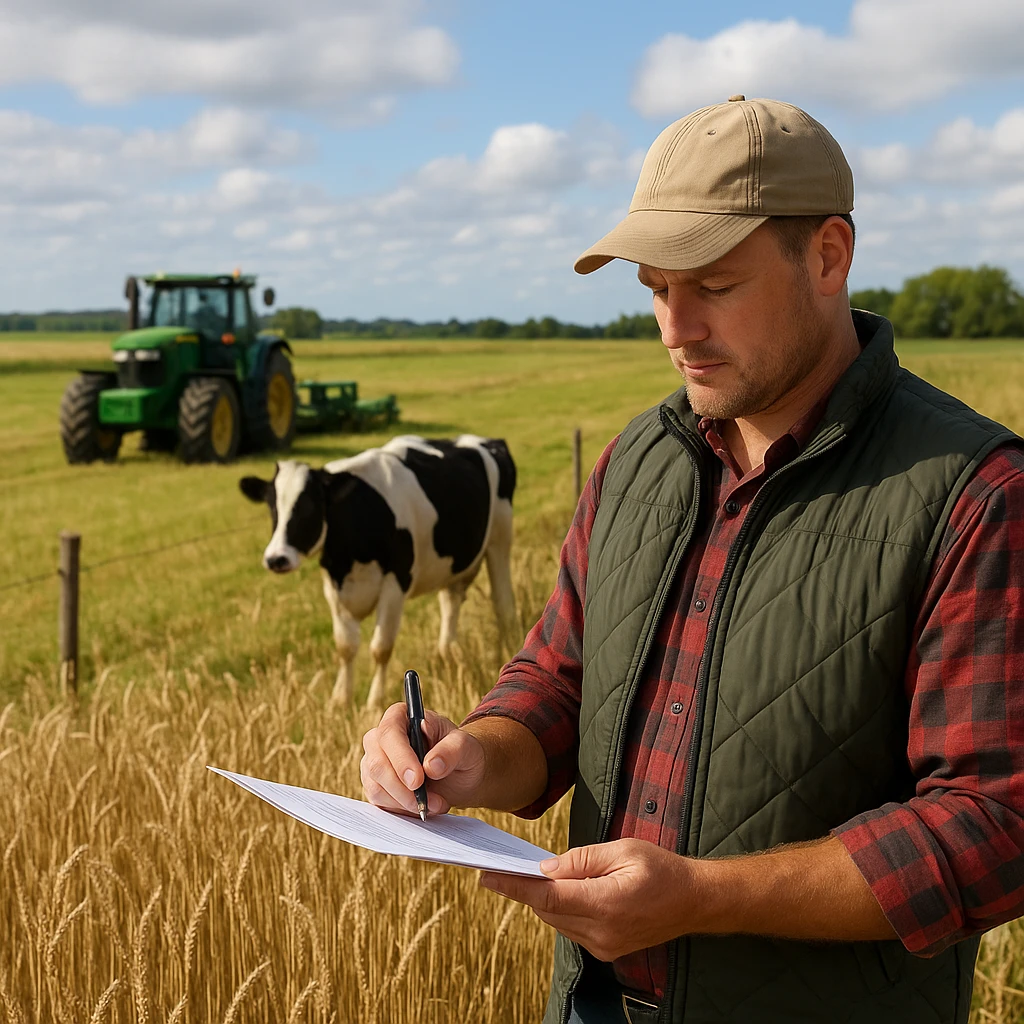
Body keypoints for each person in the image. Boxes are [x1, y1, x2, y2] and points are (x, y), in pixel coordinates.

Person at [360, 96, 1024, 1024]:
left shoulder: (976, 493)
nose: (676, 328)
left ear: (828, 255)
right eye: (656, 289)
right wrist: (472, 754)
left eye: (713, 286)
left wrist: (706, 895)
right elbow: (558, 681)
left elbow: (996, 825)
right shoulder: (638, 460)